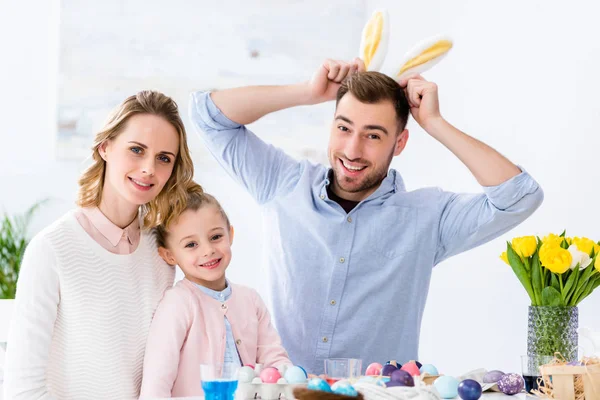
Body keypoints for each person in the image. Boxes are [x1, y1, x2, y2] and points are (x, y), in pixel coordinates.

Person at [188, 58, 543, 374]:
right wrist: (307, 92)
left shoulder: (427, 217)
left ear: (399, 143)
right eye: (344, 128)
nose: (352, 150)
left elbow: (520, 196)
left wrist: (434, 123)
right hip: (282, 391)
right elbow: (209, 116)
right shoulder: (282, 184)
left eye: (373, 135)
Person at [4, 91, 195, 399]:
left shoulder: (161, 250)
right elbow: (21, 390)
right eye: (136, 150)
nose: (149, 168)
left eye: (163, 158)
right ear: (105, 147)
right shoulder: (51, 250)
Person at [140, 184, 291, 398]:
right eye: (191, 244)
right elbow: (156, 383)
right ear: (169, 255)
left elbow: (274, 357)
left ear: (230, 234)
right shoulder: (178, 303)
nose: (208, 250)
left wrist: (288, 377)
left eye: (215, 237)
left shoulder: (251, 300)